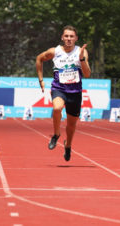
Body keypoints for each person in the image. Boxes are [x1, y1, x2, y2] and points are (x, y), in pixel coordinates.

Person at [36, 25, 91, 161]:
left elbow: (88, 74)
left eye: (71, 36)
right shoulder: (55, 51)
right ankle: (56, 134)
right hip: (59, 88)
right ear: (62, 37)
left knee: (71, 126)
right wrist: (41, 80)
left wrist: (81, 59)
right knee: (57, 108)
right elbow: (39, 59)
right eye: (66, 36)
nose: (68, 39)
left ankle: (68, 146)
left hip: (75, 92)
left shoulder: (81, 52)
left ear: (76, 38)